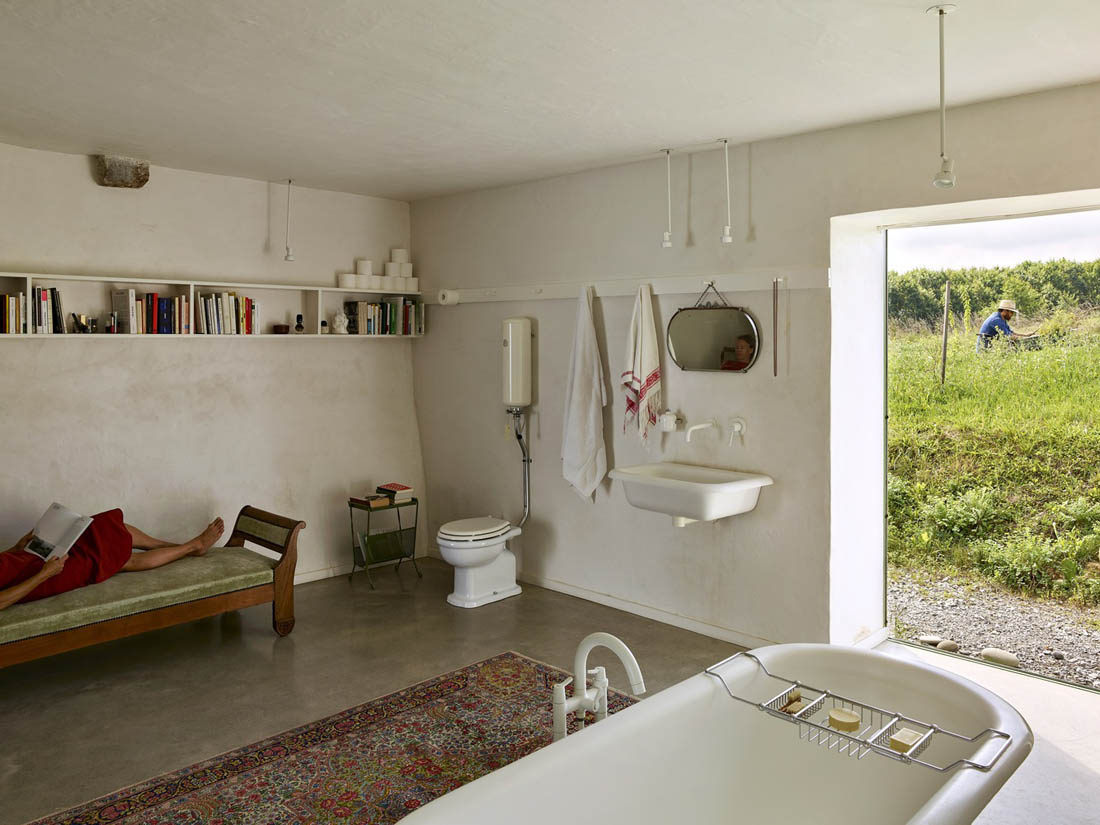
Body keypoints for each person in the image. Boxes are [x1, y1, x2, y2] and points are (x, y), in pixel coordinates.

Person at [0, 509, 224, 611]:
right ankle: (193, 546)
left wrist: (15, 548)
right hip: (37, 579)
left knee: (103, 527)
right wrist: (45, 574)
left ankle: (183, 548)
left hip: (28, 558)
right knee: (120, 560)